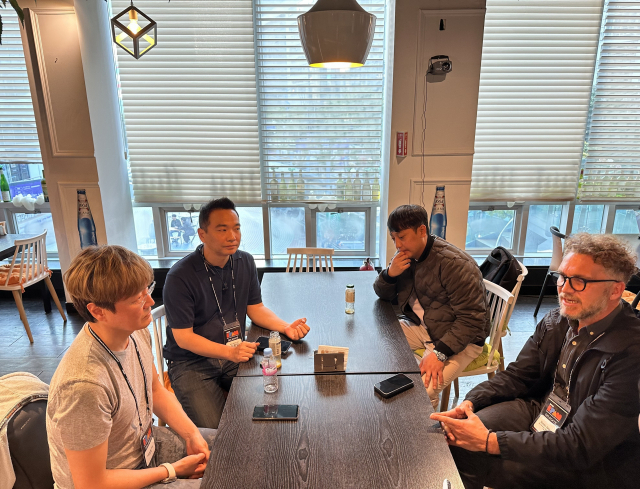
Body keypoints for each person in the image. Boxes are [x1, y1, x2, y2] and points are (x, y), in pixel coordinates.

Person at [432, 233, 640, 489]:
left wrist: (489, 442)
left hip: (593, 462)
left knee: (483, 457)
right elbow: (518, 375)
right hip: (544, 411)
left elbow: (582, 445)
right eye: (562, 277)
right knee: (457, 436)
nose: (564, 289)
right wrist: (471, 401)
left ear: (616, 289)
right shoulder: (558, 321)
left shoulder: (631, 354)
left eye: (580, 281)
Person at [47, 245, 216, 489]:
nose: (150, 302)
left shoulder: (135, 331)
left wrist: (191, 434)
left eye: (148, 290)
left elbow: (155, 390)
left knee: (227, 445)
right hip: (111, 481)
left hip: (143, 450)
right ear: (98, 311)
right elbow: (91, 484)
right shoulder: (84, 385)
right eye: (137, 299)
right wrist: (171, 471)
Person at [163, 197, 310, 429]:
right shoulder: (180, 276)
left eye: (237, 228)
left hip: (234, 353)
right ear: (202, 235)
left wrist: (285, 327)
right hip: (191, 363)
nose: (232, 236)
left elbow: (255, 308)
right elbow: (184, 338)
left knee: (273, 400)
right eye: (222, 230)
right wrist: (229, 353)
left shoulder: (245, 261)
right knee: (216, 432)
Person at [373, 204, 490, 408]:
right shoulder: (407, 255)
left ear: (421, 230)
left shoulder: (455, 264)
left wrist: (440, 353)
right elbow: (383, 294)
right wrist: (390, 274)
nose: (398, 244)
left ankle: (428, 424)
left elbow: (472, 320)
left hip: (461, 340)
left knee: (421, 393)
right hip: (425, 327)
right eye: (393, 238)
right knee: (376, 340)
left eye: (402, 237)